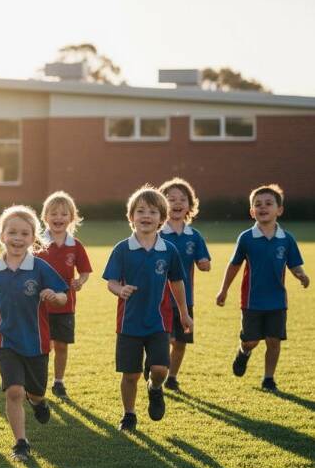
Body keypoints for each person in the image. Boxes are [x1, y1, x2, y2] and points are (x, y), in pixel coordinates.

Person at [0, 205, 68, 461]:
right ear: (2, 235)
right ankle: (21, 442)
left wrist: (55, 297)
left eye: (25, 233)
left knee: (35, 392)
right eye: (12, 232)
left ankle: (39, 402)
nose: (18, 238)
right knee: (14, 391)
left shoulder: (39, 268)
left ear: (33, 238)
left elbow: (63, 296)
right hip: (5, 340)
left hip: (37, 343)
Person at [102, 186, 191, 432]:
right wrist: (119, 290)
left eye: (152, 212)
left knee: (160, 369)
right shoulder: (122, 249)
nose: (146, 216)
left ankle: (154, 388)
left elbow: (177, 282)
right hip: (128, 323)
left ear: (162, 219)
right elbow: (110, 281)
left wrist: (184, 313)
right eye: (140, 211)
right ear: (131, 217)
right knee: (130, 375)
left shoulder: (168, 250)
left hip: (158, 322)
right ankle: (129, 414)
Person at [216, 184, 308, 392]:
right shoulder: (246, 238)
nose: (263, 207)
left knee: (274, 340)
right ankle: (243, 352)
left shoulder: (287, 239)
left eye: (268, 203)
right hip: (252, 301)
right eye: (258, 204)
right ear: (252, 211)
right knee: (251, 341)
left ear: (279, 210)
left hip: (277, 300)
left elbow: (294, 264)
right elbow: (234, 266)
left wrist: (301, 275)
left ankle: (269, 378)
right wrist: (224, 290)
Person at [37, 191, 92, 399]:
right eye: (53, 214)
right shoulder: (37, 244)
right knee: (42, 346)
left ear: (71, 218)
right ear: (45, 217)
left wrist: (80, 281)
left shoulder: (75, 245)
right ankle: (37, 381)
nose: (58, 218)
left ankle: (58, 382)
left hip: (65, 306)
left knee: (61, 345)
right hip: (39, 306)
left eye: (63, 214)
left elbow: (85, 271)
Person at [157, 178, 210, 390]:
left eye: (182, 199)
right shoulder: (157, 234)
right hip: (160, 299)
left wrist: (204, 263)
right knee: (163, 340)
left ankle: (172, 377)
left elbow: (203, 261)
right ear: (161, 204)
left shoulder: (194, 236)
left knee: (180, 342)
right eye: (171, 199)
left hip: (185, 300)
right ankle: (156, 372)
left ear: (189, 205)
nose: (177, 203)